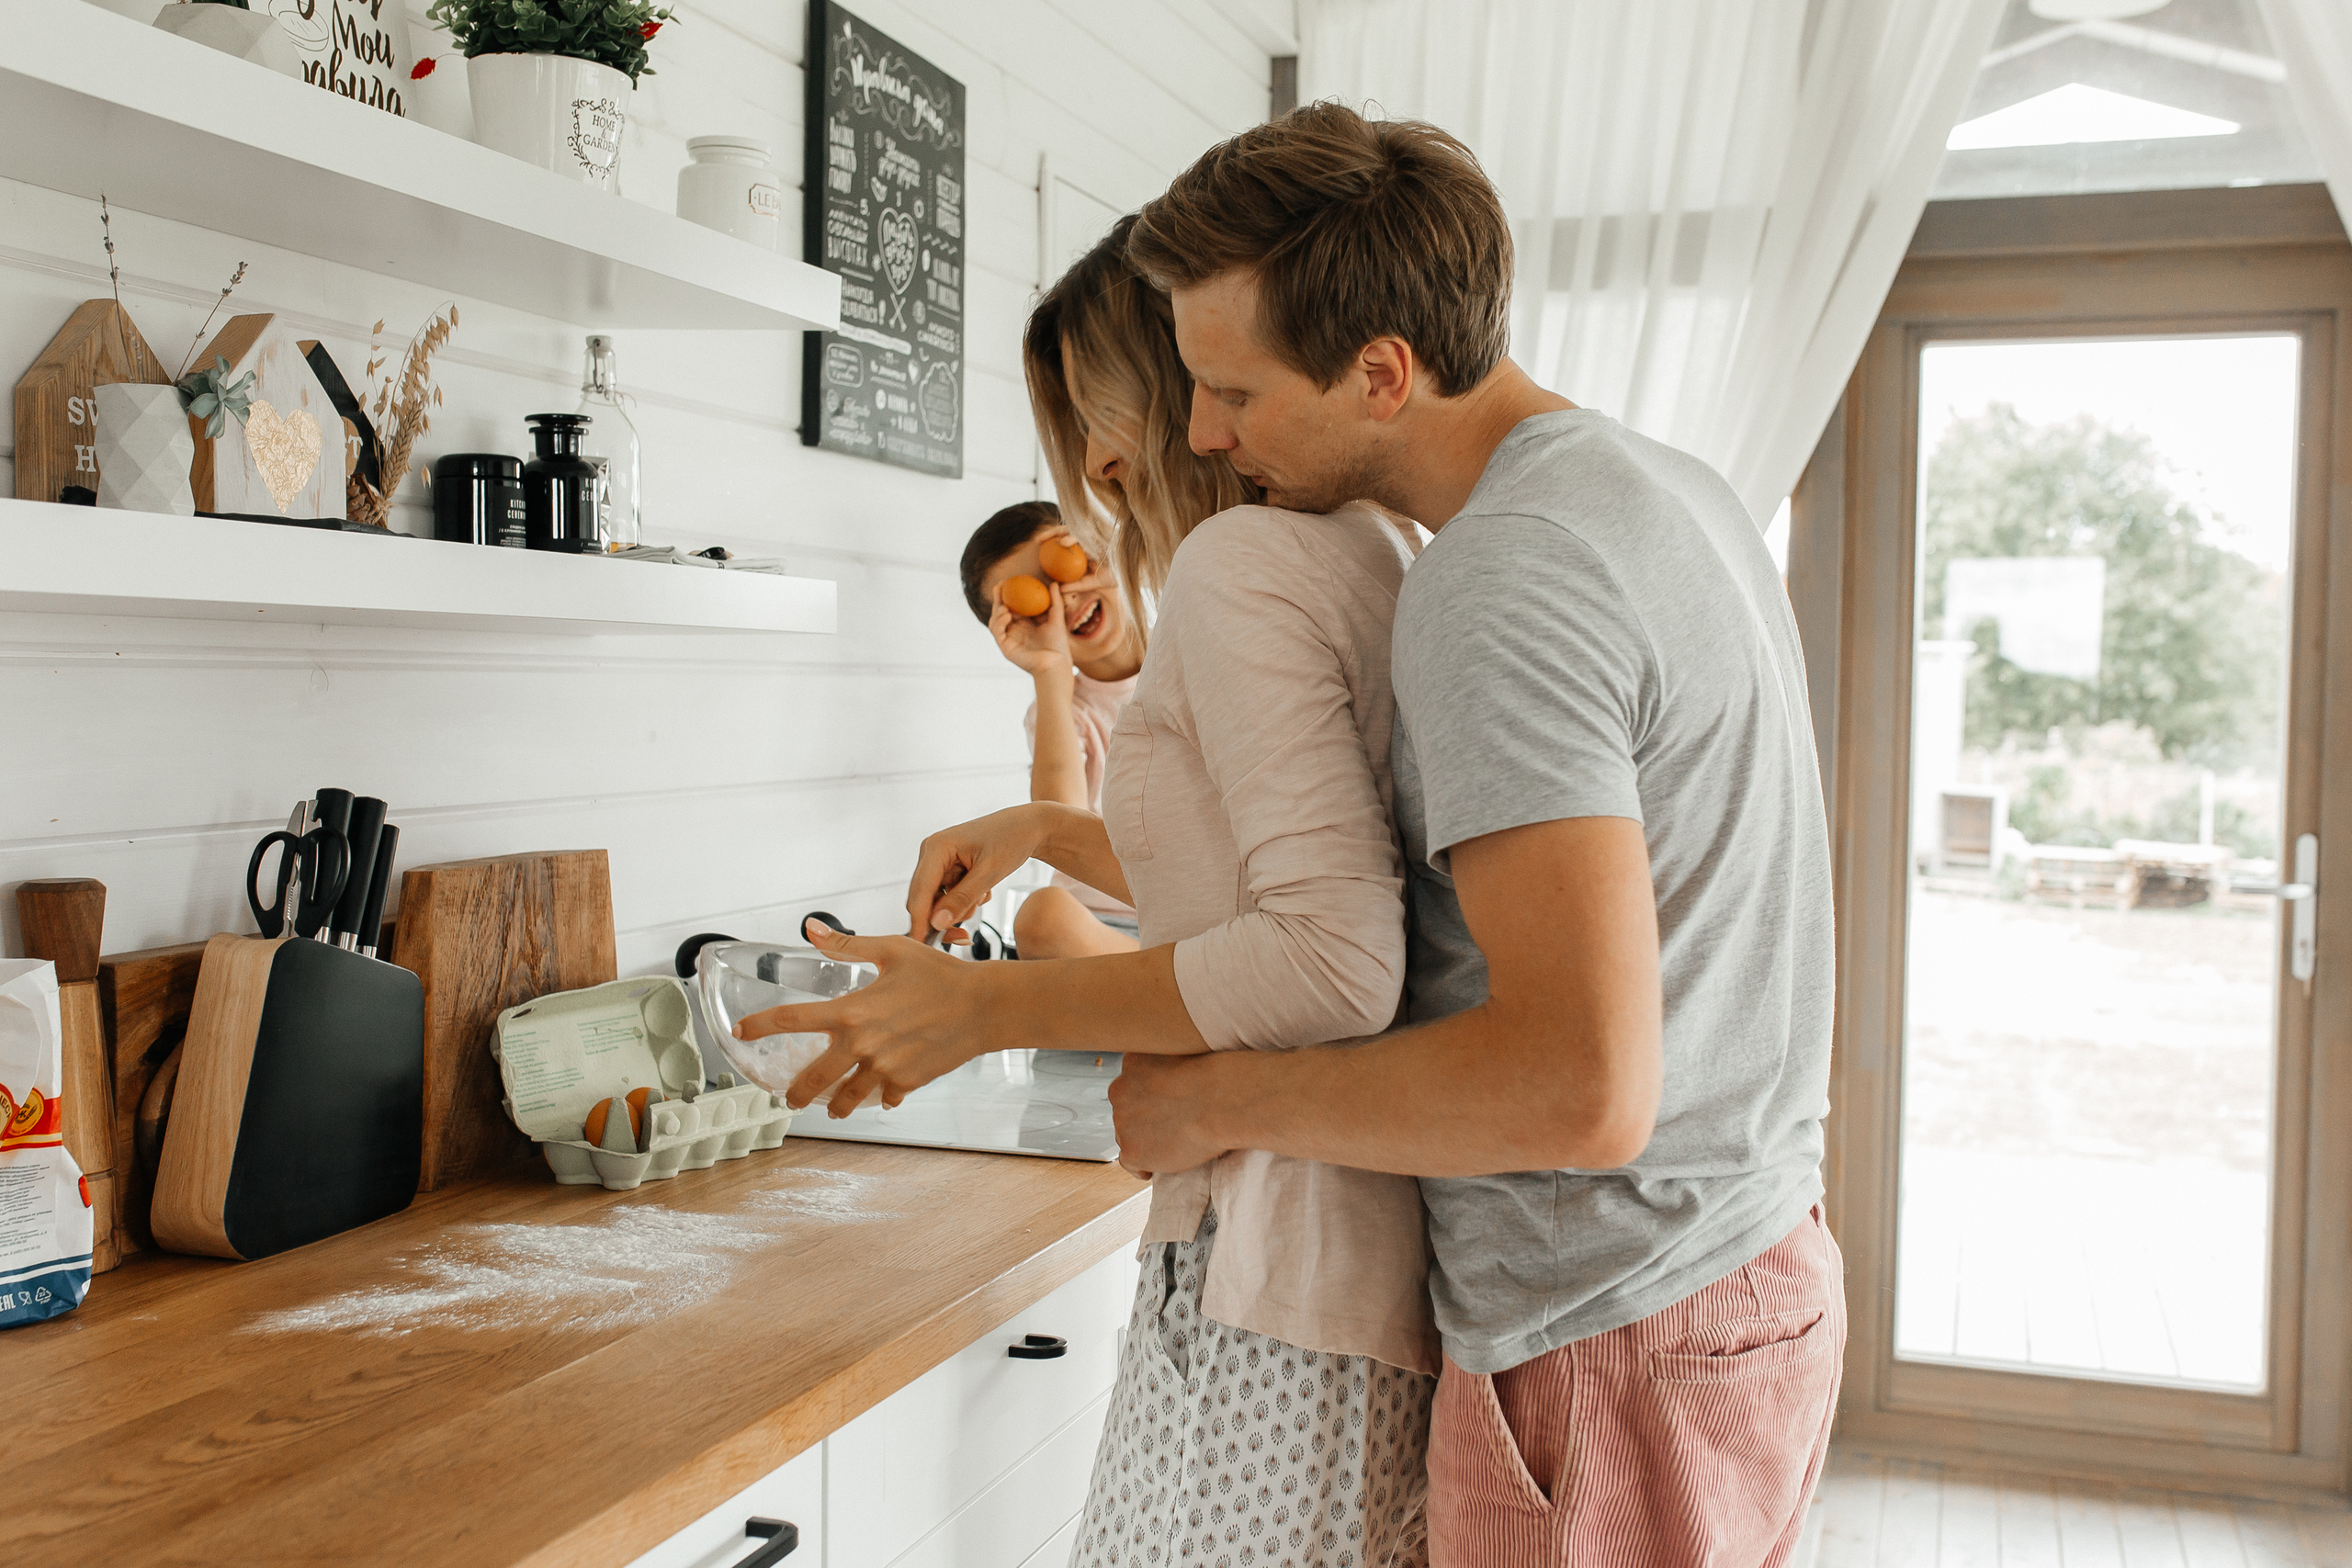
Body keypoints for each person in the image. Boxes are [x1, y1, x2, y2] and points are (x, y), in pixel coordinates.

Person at [1097, 106, 1843, 1567]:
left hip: (1607, 1331)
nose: (1201, 432)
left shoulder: (1500, 579)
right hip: (1744, 1268)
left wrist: (1219, 1102)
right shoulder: (1664, 488)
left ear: (1384, 372)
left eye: (1232, 387)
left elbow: (1579, 1087)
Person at [740, 216, 1442, 1565]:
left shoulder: (1239, 571)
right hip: (1349, 1243)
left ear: (1206, 373)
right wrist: (1046, 829)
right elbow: (1288, 882)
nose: (1105, 471)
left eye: (1101, 420)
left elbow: (1328, 956)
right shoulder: (1366, 541)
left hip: (1273, 1249)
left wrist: (980, 1010)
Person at [957, 500, 1143, 958]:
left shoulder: (1197, 647)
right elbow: (1062, 830)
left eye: (1064, 571)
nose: (1064, 602)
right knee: (1045, 915)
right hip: (1106, 931)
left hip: (1214, 917)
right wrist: (1050, 672)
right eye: (1034, 599)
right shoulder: (1061, 711)